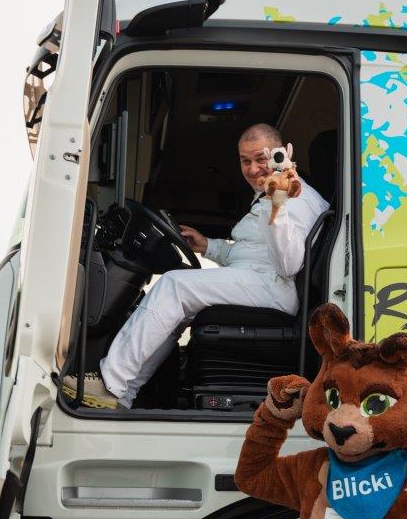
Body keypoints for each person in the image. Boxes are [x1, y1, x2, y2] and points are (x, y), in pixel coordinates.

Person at [64, 123, 329, 409]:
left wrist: (279, 204)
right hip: (261, 279)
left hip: (275, 288)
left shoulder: (296, 198)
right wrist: (207, 246)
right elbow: (253, 252)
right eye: (245, 160)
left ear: (282, 153)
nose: (252, 169)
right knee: (174, 311)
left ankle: (111, 385)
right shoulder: (268, 191)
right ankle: (123, 395)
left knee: (174, 286)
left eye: (261, 159)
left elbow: (288, 265)